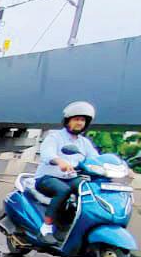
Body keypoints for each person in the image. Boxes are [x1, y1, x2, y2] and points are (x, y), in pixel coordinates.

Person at [34, 101, 100, 246]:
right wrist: (59, 161)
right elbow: (47, 154)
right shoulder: (55, 137)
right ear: (68, 121)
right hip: (47, 178)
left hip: (70, 178)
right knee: (63, 190)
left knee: (87, 189)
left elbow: (96, 159)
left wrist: (122, 167)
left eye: (82, 120)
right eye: (76, 119)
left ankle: (70, 226)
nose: (79, 123)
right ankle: (46, 229)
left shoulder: (84, 143)